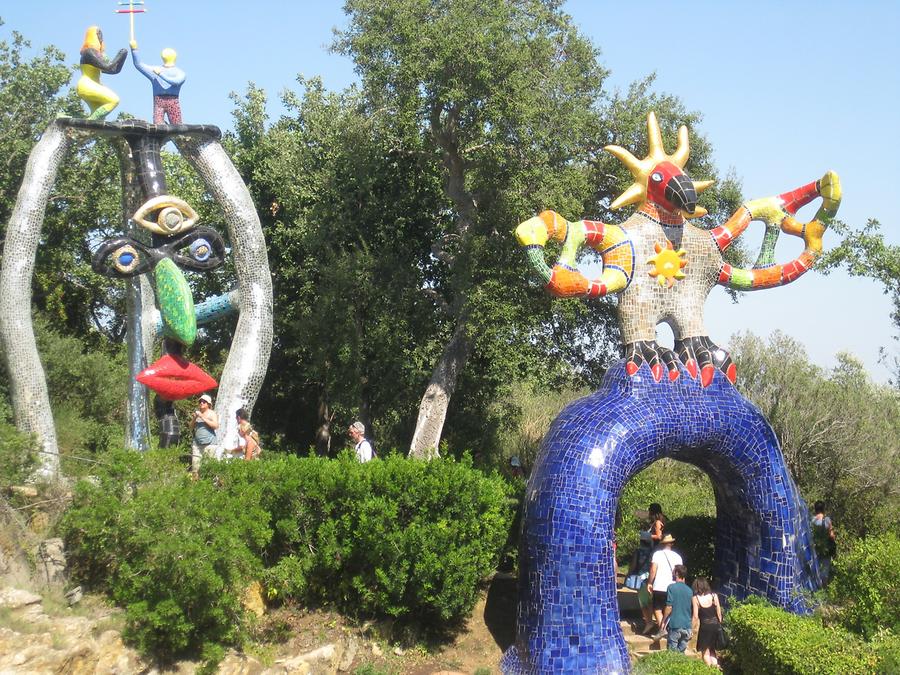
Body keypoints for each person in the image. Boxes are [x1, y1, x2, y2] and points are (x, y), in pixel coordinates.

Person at [129, 39, 186, 124]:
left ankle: (173, 137)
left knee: (177, 127)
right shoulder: (158, 71)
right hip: (159, 102)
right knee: (158, 128)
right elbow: (138, 65)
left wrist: (161, 74)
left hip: (172, 101)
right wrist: (134, 49)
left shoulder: (178, 73)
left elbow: (176, 82)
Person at [77, 26, 127, 120]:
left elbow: (114, 70)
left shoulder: (97, 54)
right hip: (87, 85)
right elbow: (107, 66)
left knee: (99, 119)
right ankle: (89, 123)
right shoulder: (88, 53)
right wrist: (119, 55)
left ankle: (79, 133)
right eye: (98, 34)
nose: (101, 38)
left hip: (93, 86)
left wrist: (123, 56)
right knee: (114, 100)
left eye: (101, 35)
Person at [645, 533, 683, 636]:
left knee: (657, 608)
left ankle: (662, 629)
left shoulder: (657, 554)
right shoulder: (678, 557)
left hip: (659, 585)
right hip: (674, 585)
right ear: (671, 543)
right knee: (669, 607)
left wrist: (649, 582)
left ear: (662, 544)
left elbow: (653, 570)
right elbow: (681, 573)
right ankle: (669, 630)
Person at [692, 576, 724, 667]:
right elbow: (719, 612)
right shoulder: (714, 596)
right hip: (715, 625)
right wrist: (719, 624)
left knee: (705, 651)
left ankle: (709, 670)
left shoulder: (696, 599)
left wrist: (692, 629)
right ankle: (716, 669)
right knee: (712, 650)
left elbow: (695, 616)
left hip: (705, 627)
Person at [627, 531, 655, 630]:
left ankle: (649, 622)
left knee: (643, 601)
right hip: (652, 579)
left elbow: (634, 565)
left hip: (642, 578)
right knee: (650, 600)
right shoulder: (653, 552)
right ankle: (650, 619)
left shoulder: (638, 552)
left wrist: (629, 574)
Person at [661, 564, 693, 652]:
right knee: (681, 655)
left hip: (675, 624)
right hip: (687, 626)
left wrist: (663, 621)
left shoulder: (671, 588)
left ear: (677, 573)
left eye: (673, 572)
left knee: (672, 655)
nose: (672, 574)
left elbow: (669, 607)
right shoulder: (690, 590)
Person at [190, 393, 219, 473]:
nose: (201, 403)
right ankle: (195, 484)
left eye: (204, 402)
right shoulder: (197, 413)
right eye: (200, 402)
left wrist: (202, 417)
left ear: (208, 404)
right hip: (197, 444)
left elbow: (216, 426)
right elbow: (191, 427)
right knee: (195, 468)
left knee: (209, 468)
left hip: (209, 444)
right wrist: (195, 418)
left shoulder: (212, 413)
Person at [812, 500, 837, 584]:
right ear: (823, 509)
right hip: (825, 549)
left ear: (815, 509)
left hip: (815, 549)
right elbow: (831, 535)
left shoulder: (811, 521)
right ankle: (824, 588)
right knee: (825, 571)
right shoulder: (827, 520)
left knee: (816, 570)